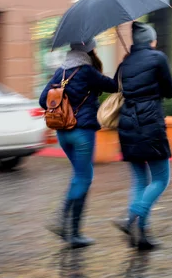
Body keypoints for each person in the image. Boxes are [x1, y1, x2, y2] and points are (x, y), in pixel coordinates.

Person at [40, 39, 118, 248]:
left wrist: (64, 100)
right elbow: (113, 86)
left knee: (81, 177)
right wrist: (121, 67)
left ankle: (73, 233)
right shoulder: (87, 71)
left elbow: (42, 100)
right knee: (83, 178)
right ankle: (62, 219)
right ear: (89, 49)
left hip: (62, 133)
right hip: (82, 131)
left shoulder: (60, 72)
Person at [112, 22, 172, 250]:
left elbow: (115, 87)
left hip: (127, 125)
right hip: (150, 123)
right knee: (161, 179)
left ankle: (141, 236)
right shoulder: (158, 58)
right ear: (151, 40)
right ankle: (130, 219)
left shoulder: (125, 62)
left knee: (141, 181)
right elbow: (170, 90)